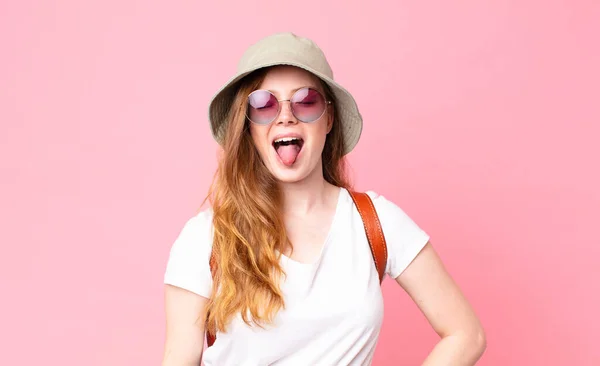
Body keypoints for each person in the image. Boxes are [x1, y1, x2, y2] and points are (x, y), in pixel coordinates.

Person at [162, 32, 486, 366]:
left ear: (328, 118)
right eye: (263, 104)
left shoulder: (374, 222)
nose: (285, 116)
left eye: (305, 101)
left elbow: (466, 334)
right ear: (247, 127)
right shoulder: (205, 238)